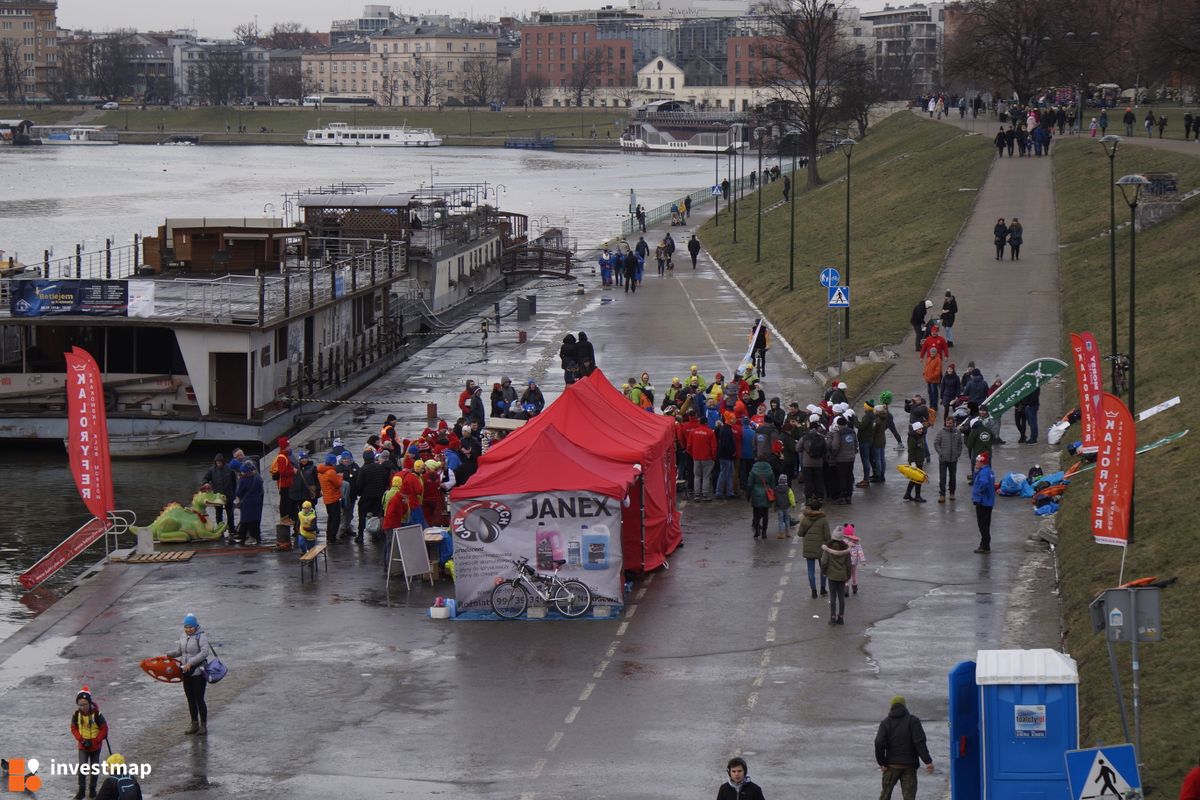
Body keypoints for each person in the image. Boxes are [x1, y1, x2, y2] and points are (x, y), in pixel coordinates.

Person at [875, 695, 934, 800]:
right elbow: (919, 742)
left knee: (885, 796)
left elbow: (879, 742)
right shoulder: (913, 721)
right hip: (909, 767)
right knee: (909, 797)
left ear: (891, 707)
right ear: (904, 706)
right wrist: (927, 761)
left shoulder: (885, 723)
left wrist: (882, 763)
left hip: (891, 766)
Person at [165, 613, 211, 735]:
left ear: (195, 626)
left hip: (198, 673)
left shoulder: (201, 637)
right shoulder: (183, 636)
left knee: (199, 699)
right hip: (186, 672)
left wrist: (190, 663)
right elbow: (180, 651)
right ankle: (194, 724)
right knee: (190, 699)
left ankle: (203, 725)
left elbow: (204, 652)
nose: (188, 629)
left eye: (190, 626)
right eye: (186, 626)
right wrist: (170, 654)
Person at [71, 686, 108, 799]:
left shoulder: (97, 715)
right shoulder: (76, 715)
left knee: (95, 768)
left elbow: (104, 728)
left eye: (85, 704)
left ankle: (92, 789)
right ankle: (81, 791)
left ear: (89, 703)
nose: (83, 707)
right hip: (83, 746)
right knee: (82, 768)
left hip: (95, 746)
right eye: (80, 704)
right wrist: (81, 739)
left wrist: (96, 740)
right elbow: (74, 728)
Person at [354, 450, 390, 538]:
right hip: (378, 496)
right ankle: (375, 533)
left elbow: (359, 484)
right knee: (376, 515)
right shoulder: (379, 467)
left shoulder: (364, 469)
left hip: (366, 496)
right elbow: (385, 480)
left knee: (362, 514)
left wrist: (359, 493)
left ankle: (360, 535)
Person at [799, 498, 830, 598]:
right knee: (823, 569)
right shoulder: (824, 519)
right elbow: (827, 536)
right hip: (821, 548)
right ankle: (823, 589)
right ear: (819, 508)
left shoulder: (805, 519)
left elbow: (800, 533)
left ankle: (813, 591)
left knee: (810, 570)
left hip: (809, 547)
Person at [821, 526, 852, 625]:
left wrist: (824, 572)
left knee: (833, 597)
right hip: (842, 576)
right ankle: (841, 618)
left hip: (832, 576)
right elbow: (848, 565)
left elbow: (824, 562)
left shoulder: (828, 548)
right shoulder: (846, 550)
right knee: (841, 598)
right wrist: (848, 576)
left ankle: (833, 617)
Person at [203, 454, 237, 531]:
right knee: (218, 514)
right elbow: (205, 478)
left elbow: (234, 482)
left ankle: (231, 529)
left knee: (230, 513)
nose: (219, 464)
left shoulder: (229, 469)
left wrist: (234, 494)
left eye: (220, 463)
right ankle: (220, 529)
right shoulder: (212, 470)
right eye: (217, 463)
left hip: (228, 495)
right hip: (217, 497)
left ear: (223, 462)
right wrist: (205, 483)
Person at [933, 416, 963, 503]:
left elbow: (960, 444)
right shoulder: (941, 432)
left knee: (953, 477)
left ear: (953, 423)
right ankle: (942, 495)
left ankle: (952, 493)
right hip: (943, 459)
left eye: (950, 423)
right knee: (942, 477)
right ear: (945, 422)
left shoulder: (957, 432)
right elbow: (936, 443)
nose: (949, 424)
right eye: (947, 422)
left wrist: (958, 454)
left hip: (954, 459)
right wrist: (940, 453)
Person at [233, 462, 263, 545]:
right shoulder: (257, 478)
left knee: (246, 520)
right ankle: (252, 536)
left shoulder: (243, 480)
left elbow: (238, 493)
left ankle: (249, 537)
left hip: (247, 503)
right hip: (256, 501)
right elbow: (261, 489)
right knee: (254, 520)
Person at [689, 418, 717, 502]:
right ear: (706, 422)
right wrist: (713, 457)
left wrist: (693, 455)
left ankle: (697, 494)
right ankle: (705, 494)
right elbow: (714, 447)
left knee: (697, 476)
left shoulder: (693, 432)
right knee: (706, 476)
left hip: (696, 457)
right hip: (707, 458)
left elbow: (689, 446)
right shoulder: (710, 432)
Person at [746, 455, 775, 539]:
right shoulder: (770, 470)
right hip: (766, 494)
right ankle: (764, 533)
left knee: (756, 513)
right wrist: (773, 495)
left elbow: (750, 484)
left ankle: (757, 529)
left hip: (756, 493)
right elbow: (773, 484)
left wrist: (748, 495)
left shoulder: (753, 470)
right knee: (765, 514)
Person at [972, 453, 995, 553]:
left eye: (978, 461)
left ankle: (984, 545)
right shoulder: (987, 471)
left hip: (983, 502)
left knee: (982, 525)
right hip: (987, 502)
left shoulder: (984, 473)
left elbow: (983, 483)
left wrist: (978, 492)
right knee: (985, 524)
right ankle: (985, 545)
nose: (976, 463)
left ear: (982, 462)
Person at [270, 436, 296, 522]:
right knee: (284, 502)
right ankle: (284, 518)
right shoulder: (282, 457)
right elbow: (283, 472)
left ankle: (286, 517)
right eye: (288, 446)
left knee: (286, 501)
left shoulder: (284, 456)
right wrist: (293, 471)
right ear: (285, 447)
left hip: (286, 483)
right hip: (284, 483)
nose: (289, 447)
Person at [317, 454, 343, 538]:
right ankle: (332, 538)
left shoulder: (321, 472)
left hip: (327, 498)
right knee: (335, 519)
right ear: (332, 463)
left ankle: (329, 536)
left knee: (330, 518)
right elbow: (338, 484)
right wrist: (340, 477)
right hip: (333, 498)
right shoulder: (331, 472)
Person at [902, 422, 928, 503]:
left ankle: (907, 494)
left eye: (921, 428)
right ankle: (917, 496)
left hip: (919, 460)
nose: (921, 430)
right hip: (915, 462)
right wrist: (912, 462)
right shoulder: (913, 438)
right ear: (915, 430)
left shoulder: (919, 436)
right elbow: (911, 451)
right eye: (919, 429)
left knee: (914, 478)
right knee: (918, 479)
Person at [844, 523, 865, 595]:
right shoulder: (857, 543)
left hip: (846, 562)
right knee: (853, 574)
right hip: (854, 562)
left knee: (846, 574)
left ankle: (845, 588)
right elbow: (860, 552)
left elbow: (841, 551)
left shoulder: (843, 542)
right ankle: (854, 588)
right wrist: (863, 561)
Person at [773, 472, 795, 539]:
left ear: (778, 481)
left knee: (781, 520)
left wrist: (774, 505)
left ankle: (781, 533)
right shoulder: (788, 489)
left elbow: (774, 498)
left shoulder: (776, 489)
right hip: (787, 506)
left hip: (779, 506)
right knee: (787, 519)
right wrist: (793, 504)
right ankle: (788, 532)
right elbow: (791, 497)